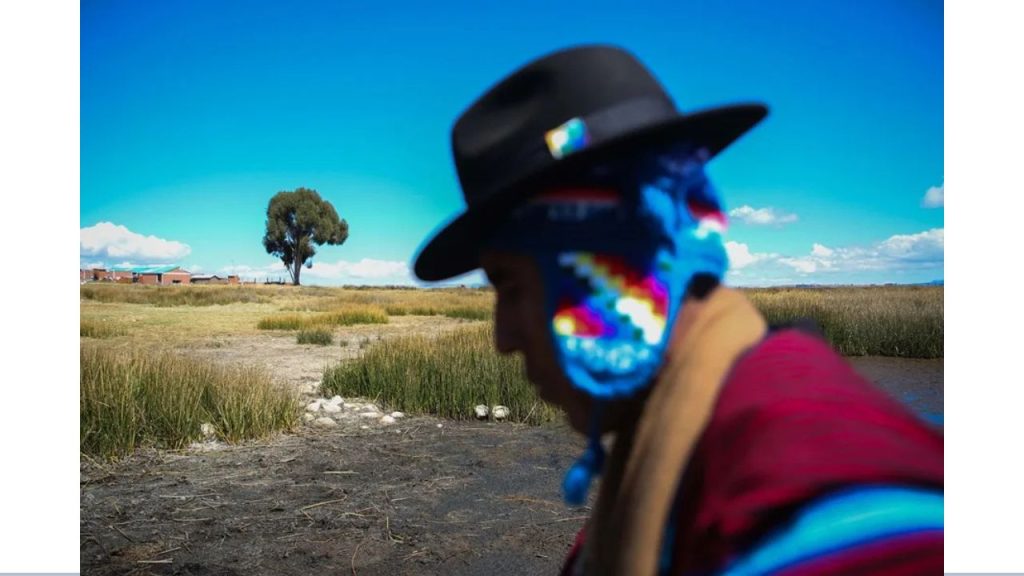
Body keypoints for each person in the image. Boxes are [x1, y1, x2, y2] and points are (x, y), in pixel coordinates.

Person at [413, 45, 943, 576]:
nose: (502, 338)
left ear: (601, 270)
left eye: (508, 285)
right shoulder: (667, 457)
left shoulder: (810, 480)